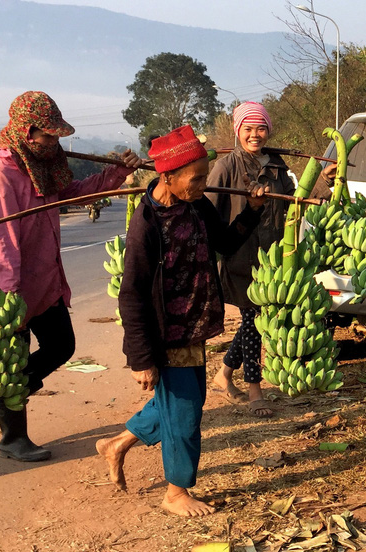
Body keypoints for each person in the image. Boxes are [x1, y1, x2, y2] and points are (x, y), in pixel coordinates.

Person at [96, 125, 268, 516]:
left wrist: (252, 213)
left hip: (196, 324)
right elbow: (132, 294)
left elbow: (224, 244)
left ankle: (117, 443)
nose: (203, 185)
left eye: (205, 176)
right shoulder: (145, 225)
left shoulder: (194, 205)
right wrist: (140, 358)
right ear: (167, 177)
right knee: (186, 409)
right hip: (167, 333)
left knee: (180, 402)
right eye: (196, 178)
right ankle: (175, 492)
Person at [0, 91, 142, 462]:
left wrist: (117, 174)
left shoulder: (42, 165)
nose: (54, 144)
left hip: (44, 281)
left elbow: (74, 195)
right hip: (10, 289)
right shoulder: (1, 175)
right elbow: (2, 247)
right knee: (12, 359)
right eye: (47, 136)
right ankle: (13, 436)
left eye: (56, 137)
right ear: (26, 131)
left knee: (61, 345)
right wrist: (7, 303)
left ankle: (5, 398)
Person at [205, 101, 295, 418]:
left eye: (260, 129)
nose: (254, 135)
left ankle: (224, 374)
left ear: (268, 131)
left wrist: (324, 179)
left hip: (272, 258)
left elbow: (294, 198)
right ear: (237, 131)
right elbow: (207, 209)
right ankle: (255, 391)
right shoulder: (226, 166)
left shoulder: (277, 165)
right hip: (240, 254)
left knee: (254, 321)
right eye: (248, 129)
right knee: (253, 322)